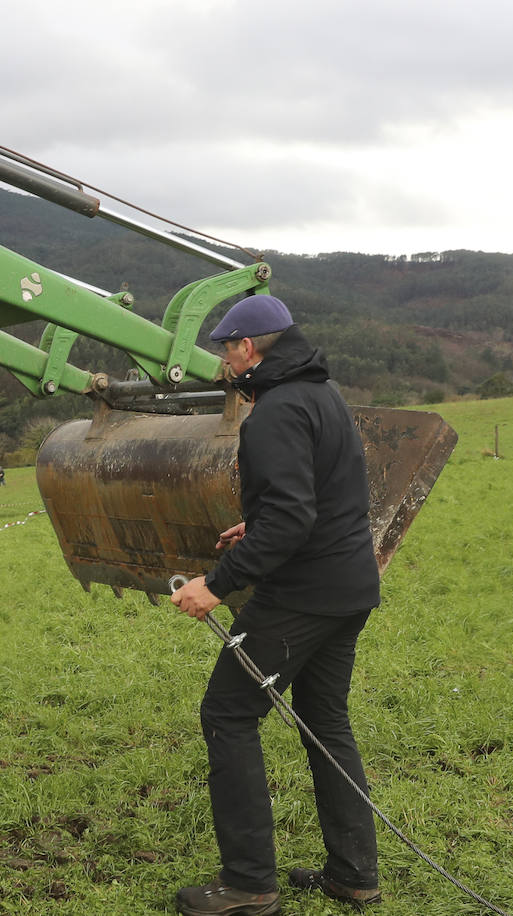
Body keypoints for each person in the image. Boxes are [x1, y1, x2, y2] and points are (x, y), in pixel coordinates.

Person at [170, 294, 382, 916]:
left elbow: (292, 518)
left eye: (225, 350)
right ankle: (353, 875)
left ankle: (247, 885)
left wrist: (216, 582)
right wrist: (254, 522)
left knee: (229, 714)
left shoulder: (274, 412)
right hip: (349, 588)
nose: (224, 363)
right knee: (325, 722)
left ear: (248, 347)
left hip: (302, 596)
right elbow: (315, 496)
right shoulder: (323, 394)